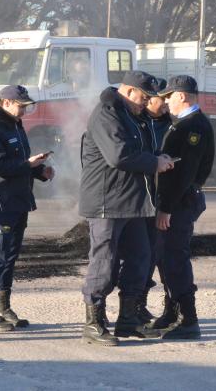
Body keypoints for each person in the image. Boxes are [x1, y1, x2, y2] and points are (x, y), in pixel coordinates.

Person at [79, 70, 175, 346]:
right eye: (144, 97)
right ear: (129, 91)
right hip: (106, 202)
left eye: (149, 99)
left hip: (132, 201)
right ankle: (94, 322)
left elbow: (141, 151)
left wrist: (160, 157)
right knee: (104, 263)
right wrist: (153, 163)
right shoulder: (107, 113)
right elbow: (118, 155)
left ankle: (128, 319)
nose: (146, 103)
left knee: (141, 258)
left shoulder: (135, 116)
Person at [0, 85, 54, 331]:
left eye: (26, 105)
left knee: (10, 256)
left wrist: (40, 170)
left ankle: (3, 306)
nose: (24, 110)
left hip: (19, 200)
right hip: (2, 202)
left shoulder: (16, 127)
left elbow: (20, 164)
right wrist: (26, 164)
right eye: (21, 105)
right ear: (6, 103)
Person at [152, 75, 215, 340]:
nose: (165, 102)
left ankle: (188, 319)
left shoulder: (193, 126)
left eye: (168, 97)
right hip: (175, 201)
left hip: (179, 203)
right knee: (166, 258)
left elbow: (184, 174)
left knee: (175, 258)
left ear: (181, 96)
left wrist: (166, 207)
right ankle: (172, 311)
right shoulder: (183, 123)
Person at [136, 77, 171, 324]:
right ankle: (135, 304)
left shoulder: (171, 124)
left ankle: (160, 305)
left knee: (161, 254)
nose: (167, 102)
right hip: (141, 199)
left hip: (164, 198)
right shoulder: (137, 124)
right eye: (162, 98)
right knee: (142, 255)